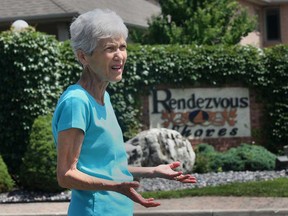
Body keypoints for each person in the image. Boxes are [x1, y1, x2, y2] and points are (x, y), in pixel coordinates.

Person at [52, 8, 196, 216]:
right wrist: (115, 187)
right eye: (110, 49)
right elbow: (65, 175)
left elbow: (108, 168)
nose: (119, 55)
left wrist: (153, 171)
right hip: (95, 211)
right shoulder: (76, 102)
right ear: (83, 57)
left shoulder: (104, 98)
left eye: (122, 46)